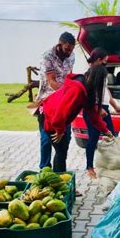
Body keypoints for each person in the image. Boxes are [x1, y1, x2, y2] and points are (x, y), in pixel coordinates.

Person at [39, 65, 114, 172]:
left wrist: (106, 131)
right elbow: (60, 113)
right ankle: (58, 182)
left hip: (58, 119)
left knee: (62, 150)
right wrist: (60, 130)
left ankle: (59, 180)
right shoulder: (77, 89)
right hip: (49, 117)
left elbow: (93, 115)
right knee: (61, 151)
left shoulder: (88, 90)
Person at [35, 32, 76, 169]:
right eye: (66, 49)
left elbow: (69, 76)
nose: (69, 53)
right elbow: (51, 81)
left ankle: (59, 171)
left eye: (71, 50)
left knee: (65, 138)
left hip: (63, 102)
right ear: (60, 45)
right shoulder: (47, 56)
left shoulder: (72, 56)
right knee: (46, 139)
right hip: (47, 101)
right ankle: (44, 168)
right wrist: (66, 94)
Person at [83, 48, 120, 178]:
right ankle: (89, 167)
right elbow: (89, 95)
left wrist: (115, 106)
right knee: (93, 138)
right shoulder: (89, 74)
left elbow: (105, 91)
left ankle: (111, 165)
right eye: (105, 62)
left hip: (103, 108)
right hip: (93, 110)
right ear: (98, 59)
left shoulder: (101, 73)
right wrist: (98, 109)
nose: (106, 64)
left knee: (111, 136)